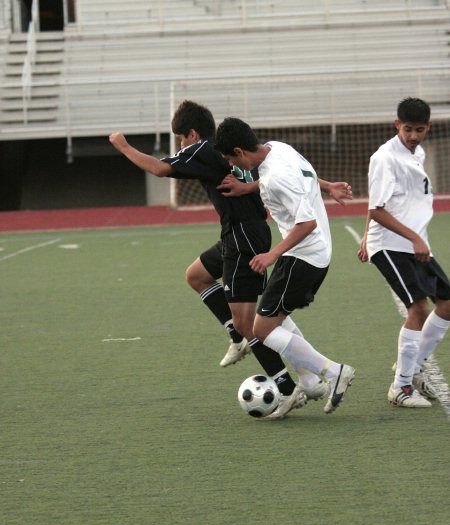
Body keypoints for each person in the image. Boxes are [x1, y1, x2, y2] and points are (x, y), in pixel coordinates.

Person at [110, 101, 352, 418]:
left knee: (255, 323)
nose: (181, 146)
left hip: (246, 239)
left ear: (193, 134)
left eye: (181, 139)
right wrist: (324, 185)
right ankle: (250, 344)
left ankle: (290, 387)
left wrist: (123, 145)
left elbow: (158, 168)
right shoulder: (262, 149)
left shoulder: (201, 150)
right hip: (240, 234)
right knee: (196, 276)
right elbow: (288, 175)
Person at [215, 117, 356, 414]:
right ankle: (308, 380)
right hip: (312, 253)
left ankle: (333, 371)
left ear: (240, 151)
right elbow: (303, 176)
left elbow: (307, 222)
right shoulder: (278, 149)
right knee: (278, 318)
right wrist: (328, 186)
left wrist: (272, 255)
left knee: (262, 328)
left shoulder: (275, 175)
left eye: (230, 158)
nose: (231, 164)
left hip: (303, 255)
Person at [358, 97, 450, 408]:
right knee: (419, 309)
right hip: (392, 244)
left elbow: (385, 198)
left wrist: (365, 234)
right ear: (397, 124)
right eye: (407, 129)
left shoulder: (417, 152)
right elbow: (379, 208)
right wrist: (378, 237)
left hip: (413, 244)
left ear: (428, 128)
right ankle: (401, 387)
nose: (412, 135)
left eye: (419, 130)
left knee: (447, 302)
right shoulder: (386, 157)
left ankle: (412, 367)